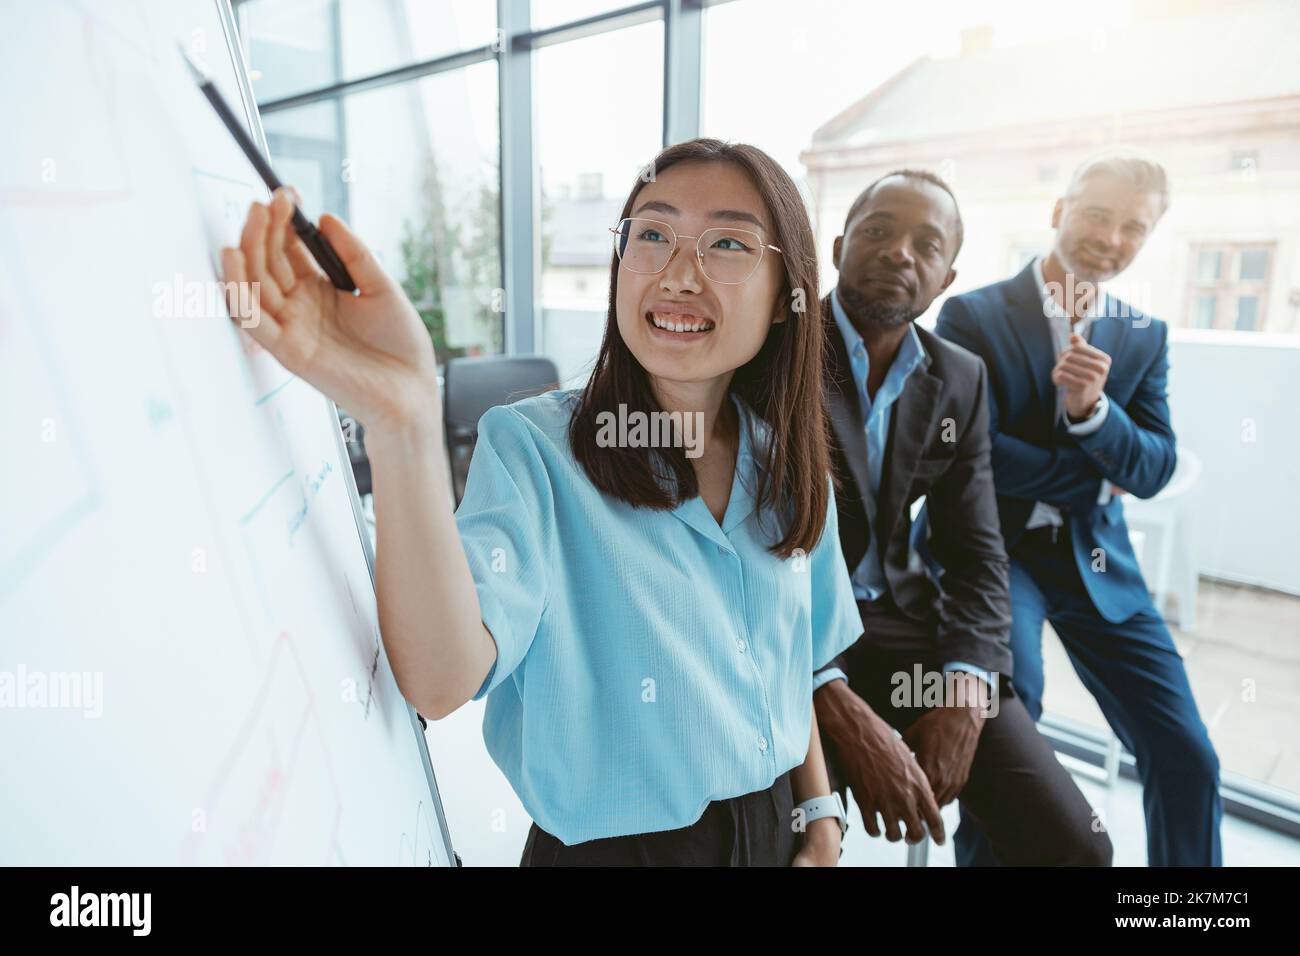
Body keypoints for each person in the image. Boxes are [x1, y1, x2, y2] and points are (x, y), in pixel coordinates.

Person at [221, 138, 864, 866]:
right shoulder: (534, 450)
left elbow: (790, 662)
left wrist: (821, 816)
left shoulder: (787, 463)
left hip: (778, 829)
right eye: (653, 234)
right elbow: (440, 679)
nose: (679, 274)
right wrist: (401, 422)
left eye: (727, 244)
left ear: (786, 297)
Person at [814, 170, 1112, 865]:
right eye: (879, 231)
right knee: (796, 847)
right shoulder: (775, 352)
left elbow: (976, 552)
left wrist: (968, 684)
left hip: (901, 624)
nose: (900, 252)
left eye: (927, 244)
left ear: (946, 278)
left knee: (1078, 847)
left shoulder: (958, 377)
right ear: (838, 248)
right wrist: (832, 701)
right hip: (789, 636)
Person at [936, 149, 1222, 866]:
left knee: (1187, 752)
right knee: (1010, 727)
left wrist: (1093, 413)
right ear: (1060, 212)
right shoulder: (971, 314)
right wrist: (1095, 481)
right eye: (1098, 215)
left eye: (1134, 227)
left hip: (1096, 561)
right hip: (990, 552)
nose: (1112, 238)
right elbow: (968, 450)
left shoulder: (1143, 334)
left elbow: (1154, 467)